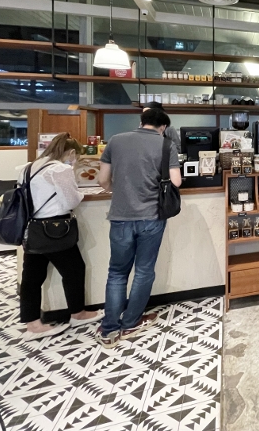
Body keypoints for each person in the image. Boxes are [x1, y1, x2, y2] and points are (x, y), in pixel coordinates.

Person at [96, 108, 181, 348]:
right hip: (152, 217)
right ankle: (131, 322)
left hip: (121, 217)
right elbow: (175, 182)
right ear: (163, 127)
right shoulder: (166, 145)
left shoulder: (116, 140)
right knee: (144, 271)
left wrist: (120, 190)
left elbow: (103, 180)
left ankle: (110, 328)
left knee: (117, 272)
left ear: (141, 121)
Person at [19, 133, 103, 340]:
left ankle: (32, 324)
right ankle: (78, 313)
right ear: (71, 152)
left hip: (33, 228)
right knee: (74, 270)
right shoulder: (61, 169)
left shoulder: (29, 167)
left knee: (31, 277)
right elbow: (70, 201)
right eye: (76, 156)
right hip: (56, 229)